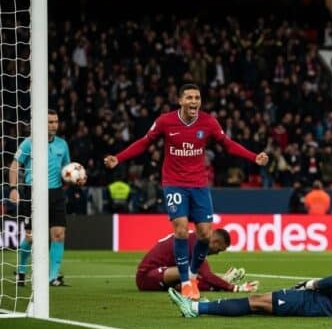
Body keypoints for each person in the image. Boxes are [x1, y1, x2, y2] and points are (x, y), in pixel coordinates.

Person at [104, 84, 268, 300]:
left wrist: (253, 157)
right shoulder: (165, 121)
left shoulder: (208, 122)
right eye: (189, 98)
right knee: (181, 230)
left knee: (205, 234)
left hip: (199, 184)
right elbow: (144, 143)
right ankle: (186, 281)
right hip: (174, 183)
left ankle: (191, 273)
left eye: (197, 98)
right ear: (180, 100)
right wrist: (119, 158)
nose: (194, 102)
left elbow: (227, 144)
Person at [168, 221, 332, 318]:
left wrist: (313, 284)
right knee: (261, 304)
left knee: (257, 301)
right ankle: (199, 306)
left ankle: (195, 307)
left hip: (324, 304)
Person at [9, 110, 86, 286]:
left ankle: (53, 276)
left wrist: (77, 178)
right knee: (31, 237)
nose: (54, 125)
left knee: (58, 234)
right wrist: (13, 188)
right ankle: (21, 271)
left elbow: (67, 169)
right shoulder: (29, 143)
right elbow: (14, 166)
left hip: (55, 193)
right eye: (50, 122)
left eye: (56, 121)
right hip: (32, 192)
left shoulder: (62, 145)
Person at [136, 228, 258, 293]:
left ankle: (218, 284)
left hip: (161, 275)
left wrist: (220, 282)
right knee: (190, 272)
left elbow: (205, 274)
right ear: (215, 242)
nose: (217, 253)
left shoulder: (196, 238)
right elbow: (207, 275)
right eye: (219, 250)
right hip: (147, 277)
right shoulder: (198, 243)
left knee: (193, 277)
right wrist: (234, 288)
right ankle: (221, 283)